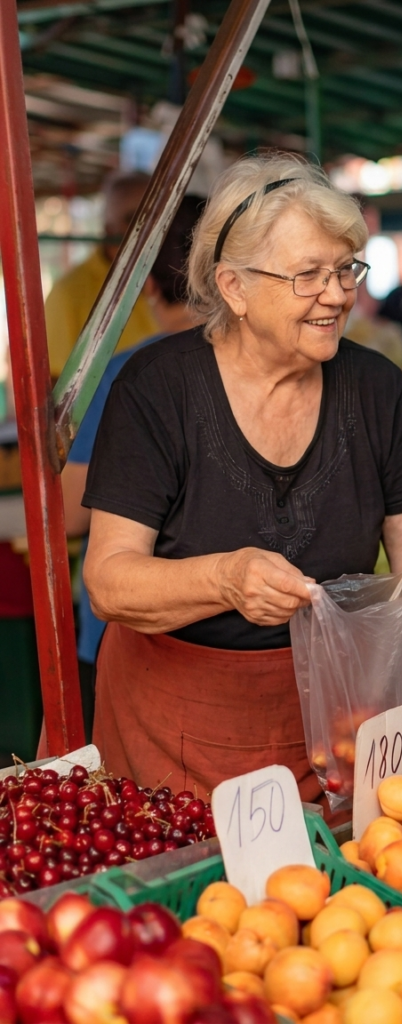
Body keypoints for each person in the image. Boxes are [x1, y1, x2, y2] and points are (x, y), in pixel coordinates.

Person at [80, 155, 402, 804]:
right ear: (232, 287)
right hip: (172, 724)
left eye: (346, 267)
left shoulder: (375, 389)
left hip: (332, 724)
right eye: (308, 275)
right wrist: (224, 578)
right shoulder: (157, 389)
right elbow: (109, 582)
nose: (337, 293)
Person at [61, 196, 204, 741]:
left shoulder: (129, 372)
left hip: (133, 640)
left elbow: (74, 513)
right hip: (232, 648)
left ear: (147, 285)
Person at [45, 171, 159, 378]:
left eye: (157, 215)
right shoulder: (69, 293)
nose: (151, 227)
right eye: (136, 218)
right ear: (109, 229)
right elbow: (52, 386)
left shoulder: (176, 275)